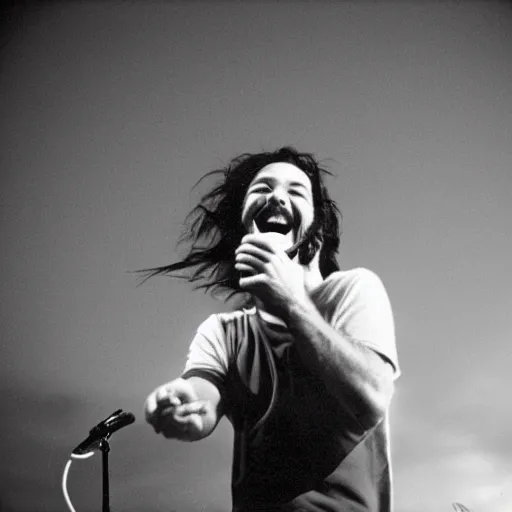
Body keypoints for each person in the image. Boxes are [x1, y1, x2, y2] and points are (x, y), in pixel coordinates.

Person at [143, 147, 400, 512]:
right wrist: (183, 404)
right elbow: (202, 397)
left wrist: (292, 302)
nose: (277, 196)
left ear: (318, 227)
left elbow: (372, 397)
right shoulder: (222, 332)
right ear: (242, 223)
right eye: (262, 188)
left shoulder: (354, 290)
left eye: (296, 191)